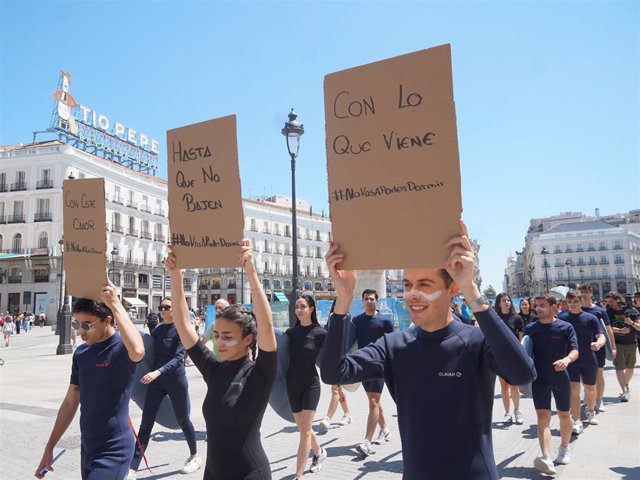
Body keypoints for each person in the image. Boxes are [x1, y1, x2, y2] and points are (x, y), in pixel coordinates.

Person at [321, 219, 536, 480]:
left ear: (452, 289)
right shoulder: (394, 346)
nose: (412, 294)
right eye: (408, 285)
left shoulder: (476, 341)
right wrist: (343, 300)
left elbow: (523, 374)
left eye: (425, 285)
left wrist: (472, 290)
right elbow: (333, 373)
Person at [164, 239, 277, 480]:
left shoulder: (259, 374)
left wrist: (251, 272)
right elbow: (184, 327)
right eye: (216, 336)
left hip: (251, 474)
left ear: (248, 339)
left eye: (227, 336)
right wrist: (176, 275)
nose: (220, 343)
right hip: (213, 474)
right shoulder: (214, 370)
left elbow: (266, 326)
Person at [35, 284, 145, 479]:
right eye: (77, 324)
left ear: (107, 320)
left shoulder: (121, 347)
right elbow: (70, 402)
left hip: (115, 447)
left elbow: (138, 351)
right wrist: (49, 447)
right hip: (88, 447)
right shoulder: (81, 353)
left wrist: (115, 302)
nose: (80, 331)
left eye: (86, 324)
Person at [126, 297, 201, 480]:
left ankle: (194, 456)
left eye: (167, 307)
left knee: (183, 420)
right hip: (156, 382)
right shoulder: (158, 331)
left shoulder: (181, 331)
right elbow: (146, 358)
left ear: (175, 309)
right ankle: (133, 469)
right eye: (161, 307)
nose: (163, 310)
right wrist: (135, 389)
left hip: (175, 380)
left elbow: (178, 358)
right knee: (146, 425)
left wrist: (158, 372)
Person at [525, 294, 578, 475]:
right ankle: (546, 457)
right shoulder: (531, 328)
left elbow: (575, 351)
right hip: (539, 379)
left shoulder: (565, 327)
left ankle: (564, 447)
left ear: (554, 307)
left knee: (564, 414)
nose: (538, 309)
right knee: (542, 417)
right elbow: (524, 353)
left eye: (542, 305)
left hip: (560, 376)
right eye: (536, 306)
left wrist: (566, 359)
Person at [286, 294, 328, 477]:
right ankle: (319, 452)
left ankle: (298, 474)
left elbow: (331, 358)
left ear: (311, 309)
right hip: (291, 384)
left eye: (302, 306)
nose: (299, 310)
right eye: (296, 307)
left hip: (311, 384)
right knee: (303, 428)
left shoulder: (320, 333)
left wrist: (339, 383)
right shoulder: (290, 333)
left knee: (304, 432)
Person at [350, 289, 395, 456]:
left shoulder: (385, 321)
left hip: (379, 367)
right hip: (362, 367)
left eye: (371, 299)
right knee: (373, 401)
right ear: (362, 301)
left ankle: (367, 442)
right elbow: (350, 343)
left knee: (373, 402)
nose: (369, 301)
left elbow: (392, 345)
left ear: (377, 301)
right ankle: (385, 429)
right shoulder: (357, 320)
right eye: (366, 299)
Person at [557, 290, 605, 435]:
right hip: (571, 359)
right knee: (574, 390)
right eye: (569, 302)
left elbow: (601, 335)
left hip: (588, 358)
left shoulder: (590, 318)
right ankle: (576, 420)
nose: (572, 305)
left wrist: (599, 344)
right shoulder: (562, 317)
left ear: (581, 301)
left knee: (590, 388)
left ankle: (590, 411)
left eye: (575, 302)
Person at [578, 283, 616, 413]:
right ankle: (589, 392)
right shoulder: (576, 311)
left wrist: (613, 347)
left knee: (599, 374)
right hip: (581, 348)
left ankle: (599, 399)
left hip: (598, 347)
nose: (583, 294)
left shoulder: (599, 311)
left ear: (590, 292)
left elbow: (608, 329)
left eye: (585, 291)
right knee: (583, 375)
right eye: (581, 292)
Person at [319, 301, 352, 433]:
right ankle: (347, 414)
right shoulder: (333, 317)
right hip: (332, 357)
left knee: (335, 390)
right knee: (339, 389)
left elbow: (347, 339)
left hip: (340, 358)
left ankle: (328, 418)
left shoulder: (346, 317)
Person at [494, 293, 525, 425]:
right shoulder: (495, 318)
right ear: (499, 303)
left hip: (513, 356)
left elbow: (521, 339)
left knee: (514, 385)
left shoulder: (516, 318)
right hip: (499, 355)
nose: (507, 302)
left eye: (508, 300)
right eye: (503, 300)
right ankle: (507, 413)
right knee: (504, 386)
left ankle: (517, 411)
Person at [605, 292, 636, 402]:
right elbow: (606, 328)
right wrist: (620, 330)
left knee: (630, 368)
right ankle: (624, 391)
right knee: (619, 368)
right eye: (607, 302)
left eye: (611, 301)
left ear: (618, 299)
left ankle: (625, 385)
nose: (609, 304)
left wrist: (631, 323)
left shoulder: (628, 309)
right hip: (617, 343)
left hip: (631, 341)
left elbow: (637, 323)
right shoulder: (608, 312)